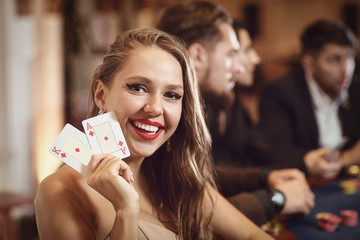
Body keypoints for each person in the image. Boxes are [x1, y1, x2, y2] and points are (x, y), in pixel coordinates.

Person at [35, 28, 273, 239]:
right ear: (101, 95)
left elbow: (253, 235)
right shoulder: (60, 191)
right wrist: (125, 209)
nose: (155, 108)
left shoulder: (179, 176)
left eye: (171, 95)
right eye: (138, 88)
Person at [157, 1, 314, 226]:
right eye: (232, 54)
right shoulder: (168, 117)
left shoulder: (198, 107)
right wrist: (277, 198)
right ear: (197, 56)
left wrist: (266, 177)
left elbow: (204, 178)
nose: (239, 67)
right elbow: (191, 218)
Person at [258, 19, 360, 180]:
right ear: (309, 64)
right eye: (334, 60)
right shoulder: (279, 93)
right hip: (305, 184)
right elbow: (275, 153)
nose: (346, 69)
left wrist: (345, 159)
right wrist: (343, 158)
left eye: (349, 57)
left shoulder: (356, 88)